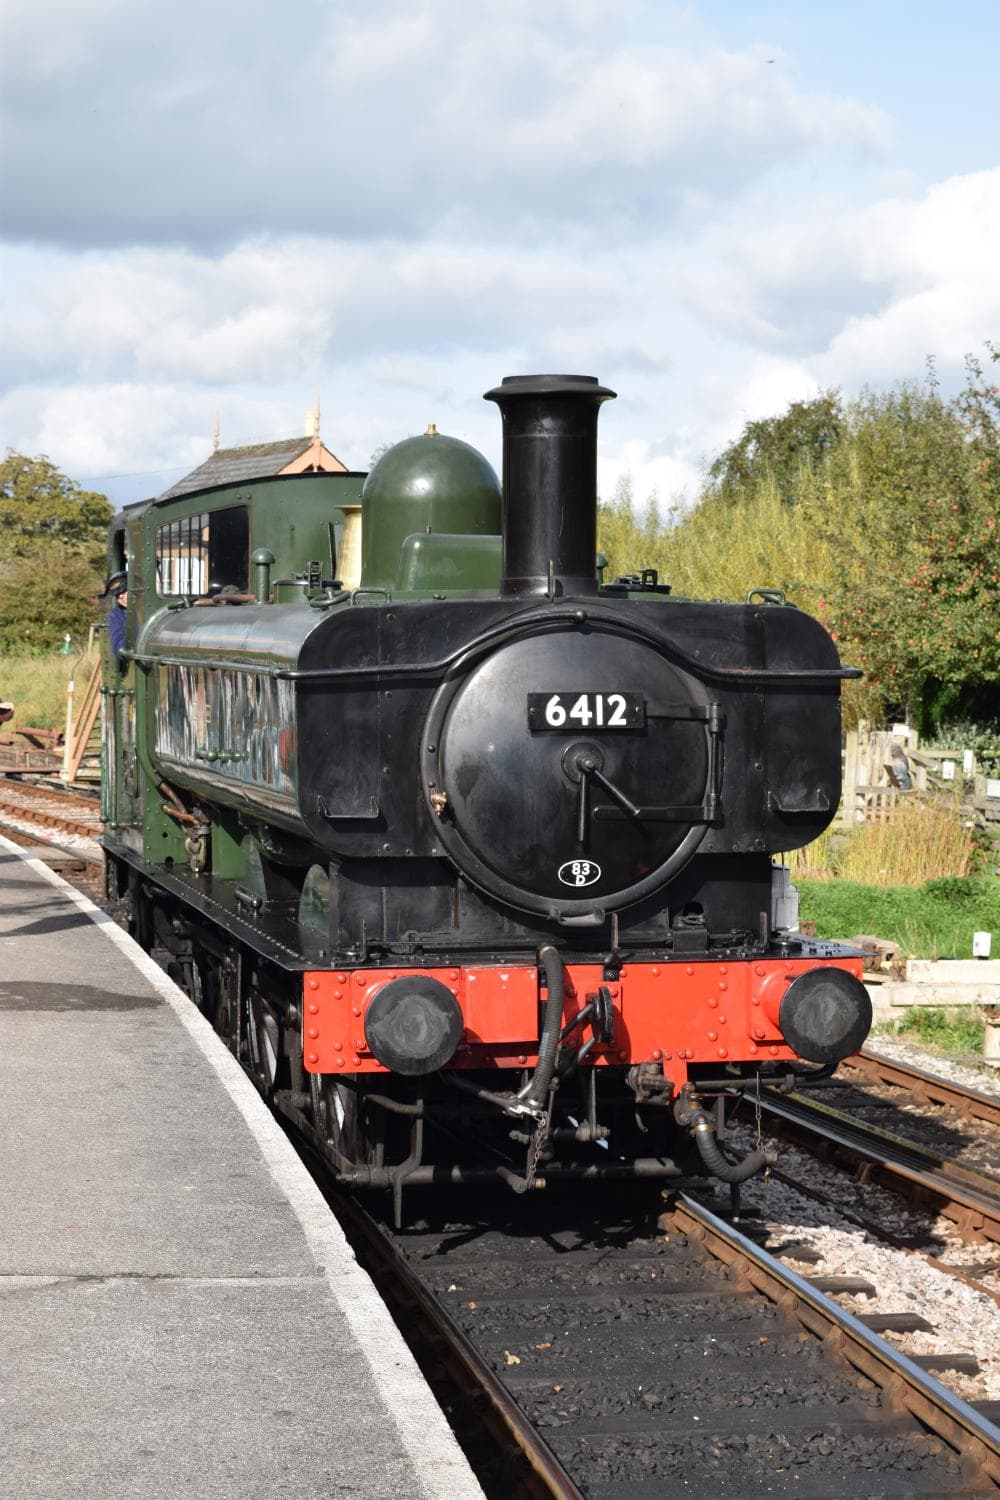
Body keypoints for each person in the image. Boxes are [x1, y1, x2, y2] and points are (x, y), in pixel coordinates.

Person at [102, 571, 128, 663]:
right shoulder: (116, 615)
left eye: (124, 590)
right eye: (117, 595)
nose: (120, 596)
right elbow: (118, 647)